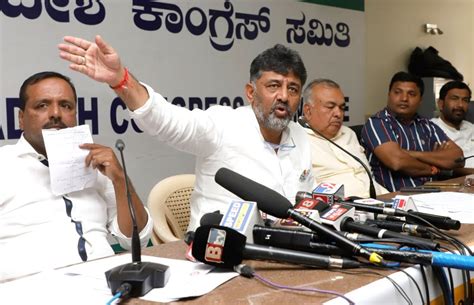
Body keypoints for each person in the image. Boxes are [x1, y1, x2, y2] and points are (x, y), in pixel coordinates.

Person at [58, 35, 315, 230]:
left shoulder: (301, 136)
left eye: (293, 89)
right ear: (251, 92)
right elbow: (166, 120)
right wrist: (121, 81)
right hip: (224, 254)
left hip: (289, 251)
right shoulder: (221, 125)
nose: (284, 96)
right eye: (273, 86)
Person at [0, 71, 153, 281]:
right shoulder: (4, 164)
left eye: (66, 105)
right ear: (21, 118)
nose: (56, 113)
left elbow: (136, 240)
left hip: (105, 284)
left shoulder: (96, 162)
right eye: (42, 105)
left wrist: (120, 180)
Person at [361, 71, 464, 192]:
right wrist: (434, 165)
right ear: (389, 95)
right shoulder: (378, 122)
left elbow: (458, 158)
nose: (404, 98)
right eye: (397, 92)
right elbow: (397, 161)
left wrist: (411, 154)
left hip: (434, 194)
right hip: (397, 199)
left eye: (411, 94)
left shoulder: (426, 125)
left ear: (420, 99)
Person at [302, 79, 388, 198]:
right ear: (308, 111)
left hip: (381, 199)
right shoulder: (297, 140)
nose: (338, 113)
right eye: (330, 107)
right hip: (344, 210)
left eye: (342, 107)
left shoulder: (349, 133)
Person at [431, 80, 474, 169]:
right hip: (457, 180)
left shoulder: (471, 127)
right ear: (440, 104)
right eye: (454, 98)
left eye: (465, 100)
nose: (460, 105)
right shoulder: (431, 128)